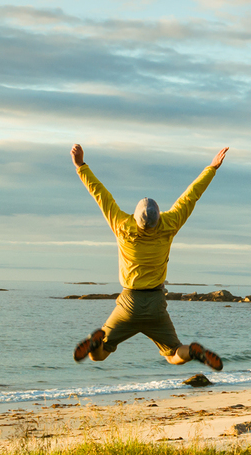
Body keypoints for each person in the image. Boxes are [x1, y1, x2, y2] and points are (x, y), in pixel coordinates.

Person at [71, 143, 228, 370]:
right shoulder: (170, 224)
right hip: (155, 304)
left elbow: (100, 194)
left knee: (100, 355)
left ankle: (95, 342)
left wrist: (81, 166)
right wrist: (211, 168)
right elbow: (191, 195)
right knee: (174, 353)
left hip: (128, 303)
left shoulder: (122, 225)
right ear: (159, 215)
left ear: (135, 216)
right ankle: (192, 352)